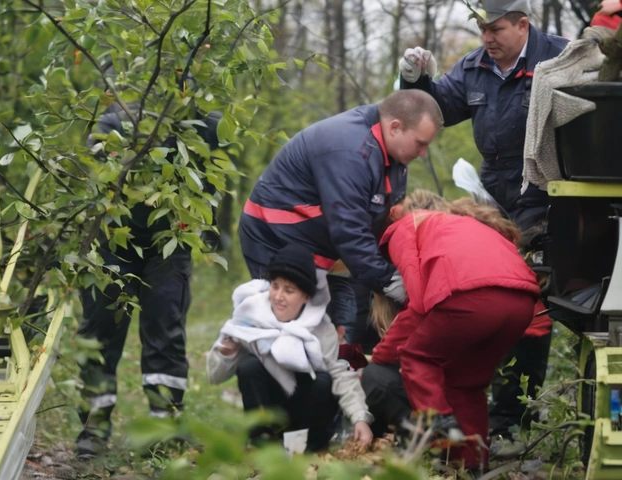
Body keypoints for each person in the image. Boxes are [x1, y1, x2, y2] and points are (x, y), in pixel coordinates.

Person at [397, 0, 568, 437]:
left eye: (496, 30)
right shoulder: (474, 67)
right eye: (482, 30)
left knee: (529, 299)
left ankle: (515, 412)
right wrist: (415, 80)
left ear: (522, 24)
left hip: (547, 189)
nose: (487, 39)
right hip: (493, 191)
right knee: (487, 287)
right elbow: (434, 111)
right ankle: (484, 398)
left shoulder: (558, 58)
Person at [75, 103, 223, 458]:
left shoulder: (206, 124)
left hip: (168, 244)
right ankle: (93, 429)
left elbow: (213, 181)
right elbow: (92, 180)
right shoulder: (113, 119)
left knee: (165, 333)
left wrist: (203, 223)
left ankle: (165, 429)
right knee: (100, 332)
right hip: (113, 241)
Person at [238, 90, 444, 343]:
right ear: (395, 127)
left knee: (334, 323)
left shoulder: (393, 153)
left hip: (320, 244)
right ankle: (269, 372)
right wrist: (390, 281)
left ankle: (329, 371)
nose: (423, 153)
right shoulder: (352, 151)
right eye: (420, 143)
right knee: (287, 325)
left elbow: (382, 220)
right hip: (274, 234)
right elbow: (350, 230)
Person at [361, 189, 540, 469]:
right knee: (465, 385)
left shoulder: (402, 230)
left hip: (473, 296)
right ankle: (470, 466)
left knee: (416, 357)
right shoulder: (462, 225)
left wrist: (382, 356)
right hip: (522, 303)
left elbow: (418, 304)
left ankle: (438, 419)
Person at [206, 244, 374, 451]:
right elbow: (214, 376)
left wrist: (360, 418)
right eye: (275, 286)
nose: (278, 296)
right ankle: (263, 442)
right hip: (270, 404)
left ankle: (307, 445)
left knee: (324, 380)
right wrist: (226, 353)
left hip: (308, 409)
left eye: (289, 290)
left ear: (305, 297)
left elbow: (345, 374)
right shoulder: (250, 316)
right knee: (249, 367)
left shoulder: (323, 328)